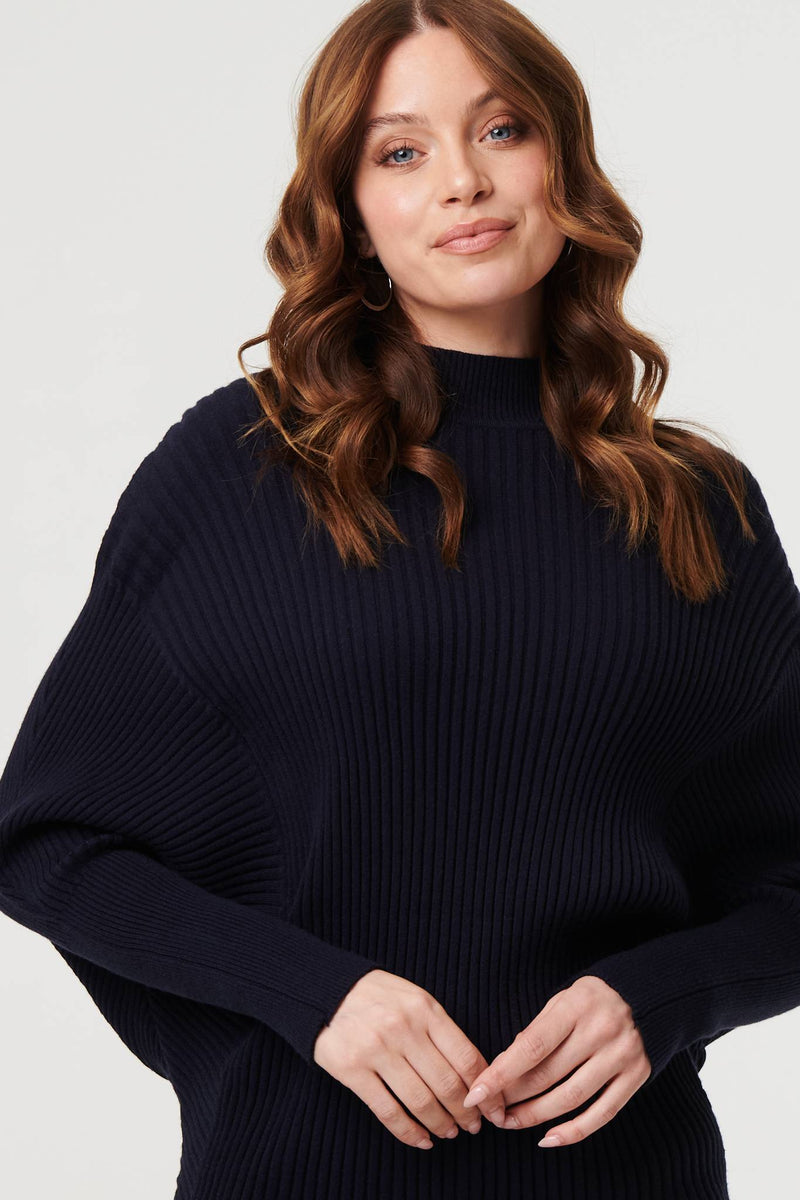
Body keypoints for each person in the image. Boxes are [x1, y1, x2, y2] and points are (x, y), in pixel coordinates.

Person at [1, 1, 799, 1197]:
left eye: (502, 129)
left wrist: (664, 994)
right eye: (400, 151)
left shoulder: (695, 503)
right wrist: (313, 995)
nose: (462, 181)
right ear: (351, 212)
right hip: (299, 1170)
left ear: (564, 163)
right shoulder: (243, 469)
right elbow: (49, 843)